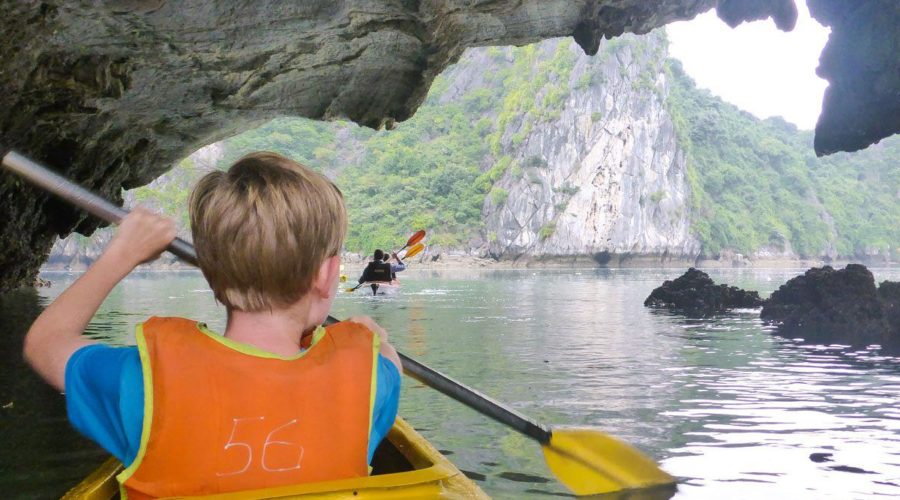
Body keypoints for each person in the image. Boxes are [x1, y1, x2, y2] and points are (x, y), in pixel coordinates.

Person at [23, 152, 403, 497]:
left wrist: (121, 256)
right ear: (327, 275)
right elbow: (389, 361)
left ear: (212, 274)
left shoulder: (144, 380)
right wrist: (367, 337)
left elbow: (45, 341)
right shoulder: (371, 380)